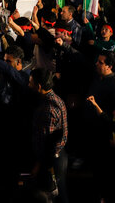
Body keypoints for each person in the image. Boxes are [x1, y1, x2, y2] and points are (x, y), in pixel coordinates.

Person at [29, 68, 68, 203]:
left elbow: (46, 143)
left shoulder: (48, 109)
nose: (29, 85)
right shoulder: (56, 99)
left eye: (31, 83)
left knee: (51, 196)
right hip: (58, 156)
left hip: (50, 161)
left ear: (39, 86)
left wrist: (38, 165)